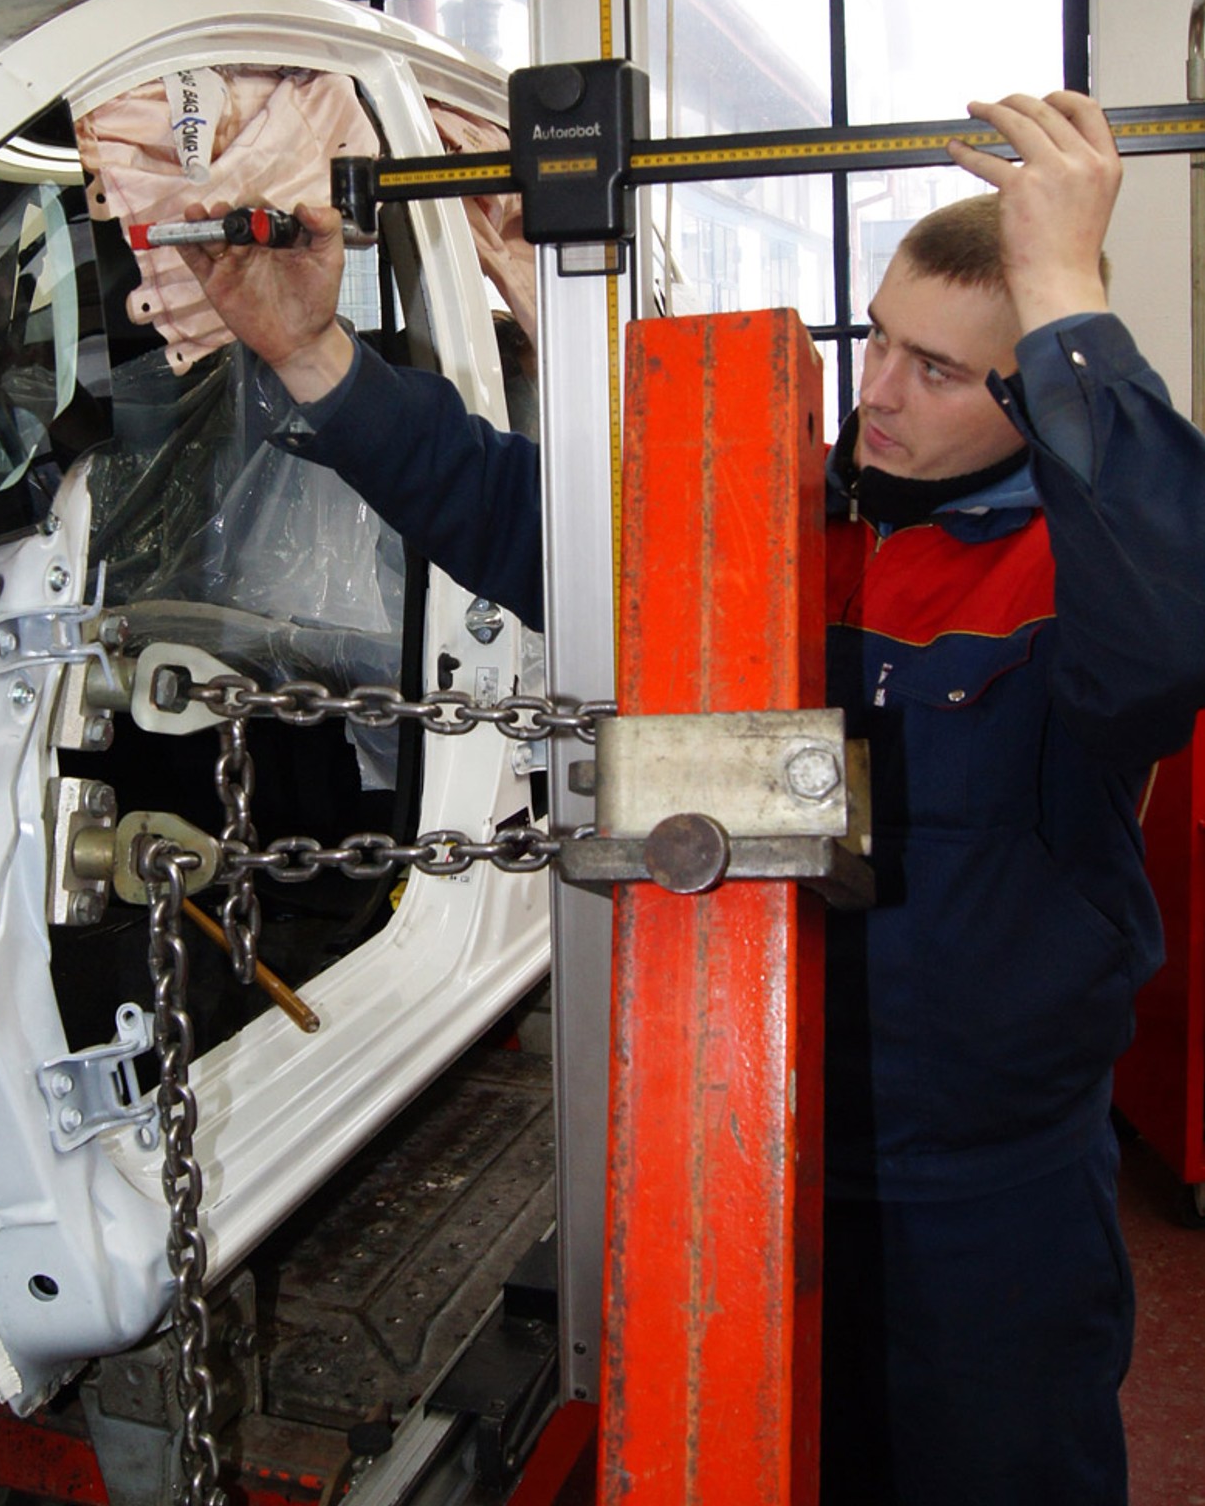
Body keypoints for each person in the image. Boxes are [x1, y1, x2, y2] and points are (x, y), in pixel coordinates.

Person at [181, 91, 1205, 1504]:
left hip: (985, 1196)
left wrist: (1065, 293)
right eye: (880, 345)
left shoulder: (1069, 583)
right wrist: (306, 348)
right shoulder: (774, 525)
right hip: (743, 1136)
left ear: (1031, 384)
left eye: (943, 371)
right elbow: (503, 511)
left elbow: (1164, 654)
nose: (880, 396)